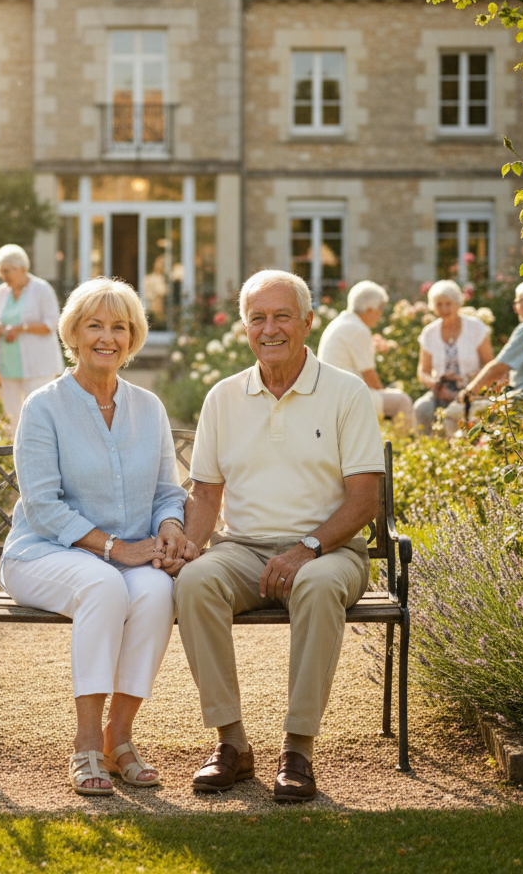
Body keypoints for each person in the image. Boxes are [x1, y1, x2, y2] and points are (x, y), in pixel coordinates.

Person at [172, 270, 384, 802]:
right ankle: (232, 745)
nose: (270, 328)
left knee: (314, 585)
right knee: (195, 583)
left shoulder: (346, 392)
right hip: (243, 550)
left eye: (282, 315)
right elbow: (204, 494)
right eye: (258, 317)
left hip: (328, 550)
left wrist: (307, 547)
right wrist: (190, 548)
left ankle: (298, 749)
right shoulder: (224, 397)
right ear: (245, 327)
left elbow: (364, 498)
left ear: (308, 322)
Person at [0, 277, 188, 796]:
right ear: (74, 334)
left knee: (156, 592)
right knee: (103, 586)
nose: (108, 337)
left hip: (127, 559)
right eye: (95, 325)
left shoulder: (148, 407)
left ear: (132, 337)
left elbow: (168, 491)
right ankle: (85, 742)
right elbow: (42, 504)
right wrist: (115, 548)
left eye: (119, 327)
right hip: (43, 553)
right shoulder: (44, 406)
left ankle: (119, 738)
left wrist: (170, 526)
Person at [444, 277, 523, 436]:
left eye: (518, 302)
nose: (516, 308)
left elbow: (497, 368)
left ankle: (461, 457)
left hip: (522, 405)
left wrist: (467, 393)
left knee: (452, 413)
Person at [316, 280, 415, 432]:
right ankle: (403, 448)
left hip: (332, 394)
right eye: (380, 309)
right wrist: (385, 393)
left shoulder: (341, 322)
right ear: (369, 309)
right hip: (346, 397)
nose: (380, 315)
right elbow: (369, 376)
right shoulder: (357, 329)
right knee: (402, 401)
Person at [0, 244, 64, 433]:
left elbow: (52, 323)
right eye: (0, 272)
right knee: (12, 417)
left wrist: (21, 328)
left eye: (7, 271)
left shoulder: (41, 289)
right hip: (8, 364)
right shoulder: (2, 292)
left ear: (21, 268)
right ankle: (12, 458)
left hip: (37, 365)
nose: (3, 277)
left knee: (37, 415)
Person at [413, 279, 494, 434]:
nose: (444, 308)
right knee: (421, 407)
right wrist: (437, 386)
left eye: (448, 304)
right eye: (439, 304)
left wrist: (473, 382)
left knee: (480, 412)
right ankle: (428, 451)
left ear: (458, 304)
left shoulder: (476, 328)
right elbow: (423, 372)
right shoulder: (429, 333)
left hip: (472, 388)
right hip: (441, 390)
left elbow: (489, 364)